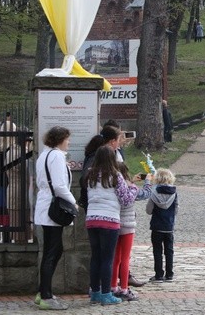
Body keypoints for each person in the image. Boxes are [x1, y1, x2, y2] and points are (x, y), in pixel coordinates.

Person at [85, 145, 138, 305]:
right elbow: (126, 199)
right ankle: (107, 293)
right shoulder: (116, 176)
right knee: (108, 258)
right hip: (109, 220)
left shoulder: (91, 175)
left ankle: (95, 292)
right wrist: (134, 188)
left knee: (95, 257)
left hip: (92, 219)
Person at [34, 126, 75, 310]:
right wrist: (73, 202)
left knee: (53, 250)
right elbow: (59, 185)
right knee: (53, 251)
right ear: (60, 139)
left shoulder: (44, 155)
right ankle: (46, 295)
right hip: (53, 208)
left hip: (44, 206)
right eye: (67, 139)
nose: (69, 142)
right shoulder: (57, 156)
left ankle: (42, 290)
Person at [110, 164, 153, 301]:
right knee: (125, 258)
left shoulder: (112, 185)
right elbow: (145, 194)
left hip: (115, 223)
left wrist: (132, 181)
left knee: (115, 258)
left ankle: (113, 286)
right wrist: (148, 181)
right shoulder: (130, 187)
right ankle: (124, 288)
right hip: (128, 225)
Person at [146, 168, 178, 282]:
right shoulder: (174, 193)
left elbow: (148, 210)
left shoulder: (154, 193)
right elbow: (176, 209)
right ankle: (169, 274)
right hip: (169, 226)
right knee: (169, 250)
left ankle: (159, 274)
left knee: (157, 251)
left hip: (157, 226)